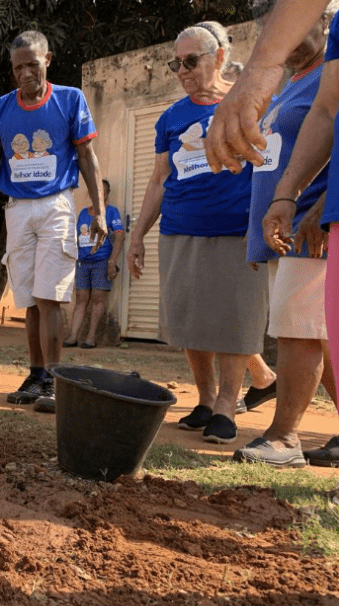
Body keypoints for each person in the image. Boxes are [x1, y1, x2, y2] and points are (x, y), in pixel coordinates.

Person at [127, 22, 268, 445]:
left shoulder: (248, 104)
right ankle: (206, 399)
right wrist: (137, 236)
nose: (183, 70)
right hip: (180, 228)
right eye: (177, 63)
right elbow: (158, 179)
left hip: (236, 228)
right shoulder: (171, 117)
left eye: (192, 61)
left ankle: (227, 405)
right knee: (189, 319)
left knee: (234, 319)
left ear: (219, 58)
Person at [0, 29, 107, 413]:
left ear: (47, 60)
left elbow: (87, 158)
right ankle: (36, 374)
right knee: (29, 300)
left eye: (31, 64)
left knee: (50, 298)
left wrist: (99, 209)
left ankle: (56, 379)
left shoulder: (69, 100)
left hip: (55, 206)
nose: (24, 73)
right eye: (17, 67)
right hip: (17, 209)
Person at [232, 0, 339, 468]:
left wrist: (319, 205)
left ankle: (284, 437)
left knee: (299, 329)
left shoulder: (324, 76)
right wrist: (262, 223)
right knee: (316, 332)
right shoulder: (289, 85)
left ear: (318, 17)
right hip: (287, 222)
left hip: (313, 222)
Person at [205, 0, 333, 174]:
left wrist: (286, 195)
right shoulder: (287, 86)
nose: (280, 38)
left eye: (290, 26)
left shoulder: (330, 77)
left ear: (324, 20)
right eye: (270, 32)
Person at [63, 179, 124, 349]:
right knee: (81, 298)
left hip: (101, 261)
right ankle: (73, 336)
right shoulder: (83, 213)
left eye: (102, 192)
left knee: (98, 297)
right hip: (83, 262)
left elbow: (120, 236)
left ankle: (90, 337)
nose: (97, 195)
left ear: (106, 195)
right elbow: (74, 238)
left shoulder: (112, 212)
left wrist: (112, 262)